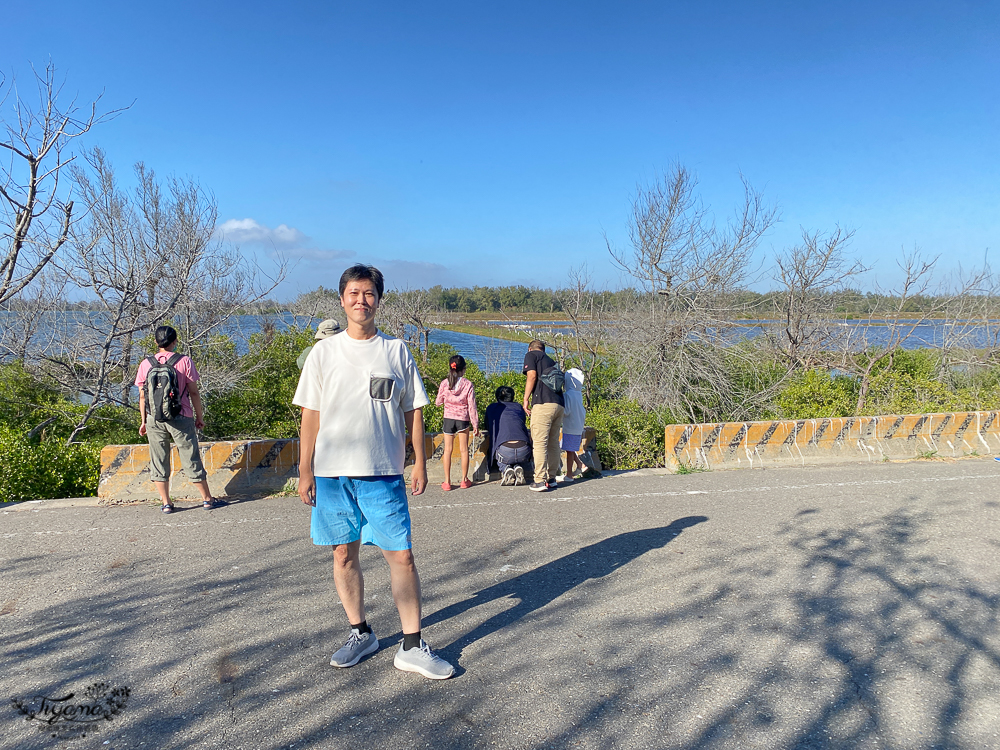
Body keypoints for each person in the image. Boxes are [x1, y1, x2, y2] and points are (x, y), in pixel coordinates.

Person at [293, 263, 455, 680]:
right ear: (342, 298)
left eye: (368, 294)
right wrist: (305, 469)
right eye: (353, 293)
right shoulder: (323, 353)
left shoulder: (396, 350)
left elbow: (414, 412)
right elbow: (310, 416)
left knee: (401, 556)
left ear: (378, 300)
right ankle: (360, 633)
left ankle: (412, 645)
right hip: (331, 474)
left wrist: (420, 462)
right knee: (342, 553)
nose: (361, 301)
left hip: (383, 472)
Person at [135, 325, 224, 513]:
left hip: (154, 418)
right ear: (175, 341)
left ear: (156, 342)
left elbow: (143, 396)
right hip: (181, 416)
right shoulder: (184, 361)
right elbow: (193, 392)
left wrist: (143, 421)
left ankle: (166, 503)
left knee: (158, 459)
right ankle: (207, 499)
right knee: (190, 456)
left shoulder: (146, 364)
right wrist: (199, 416)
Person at [522, 340, 564, 492]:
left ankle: (539, 480)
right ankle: (551, 479)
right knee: (553, 443)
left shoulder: (531, 355)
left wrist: (526, 399)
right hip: (559, 403)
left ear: (530, 348)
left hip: (542, 403)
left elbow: (532, 376)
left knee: (539, 442)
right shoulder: (550, 360)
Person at [434, 355, 479, 491]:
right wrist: (475, 423)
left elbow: (438, 402)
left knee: (447, 450)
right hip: (463, 419)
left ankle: (447, 481)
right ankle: (464, 480)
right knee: (464, 450)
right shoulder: (468, 384)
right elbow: (472, 406)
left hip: (448, 418)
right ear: (463, 369)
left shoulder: (444, 383)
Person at [485, 385, 532, 486]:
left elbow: (487, 426)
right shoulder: (518, 407)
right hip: (524, 450)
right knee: (516, 457)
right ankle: (517, 467)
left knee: (503, 457)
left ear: (497, 396)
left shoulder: (491, 408)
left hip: (505, 451)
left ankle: (505, 469)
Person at [557, 368, 586, 483]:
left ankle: (569, 474)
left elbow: (566, 411)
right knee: (569, 447)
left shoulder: (568, 394)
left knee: (569, 450)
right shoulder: (578, 393)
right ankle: (580, 465)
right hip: (578, 425)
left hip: (570, 426)